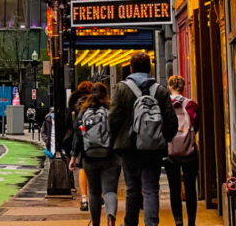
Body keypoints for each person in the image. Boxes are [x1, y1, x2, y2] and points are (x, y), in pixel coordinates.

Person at [109, 52, 178, 226]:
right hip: (153, 148)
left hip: (129, 149)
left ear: (131, 68)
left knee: (132, 189)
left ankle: (130, 223)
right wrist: (163, 139)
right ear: (150, 68)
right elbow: (171, 121)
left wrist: (114, 142)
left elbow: (113, 119)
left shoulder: (121, 89)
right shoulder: (161, 91)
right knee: (151, 189)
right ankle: (151, 223)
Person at [68, 82, 121, 226]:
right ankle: (110, 217)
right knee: (110, 191)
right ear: (106, 94)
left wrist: (74, 157)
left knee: (94, 192)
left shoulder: (84, 112)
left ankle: (96, 223)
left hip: (89, 157)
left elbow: (78, 134)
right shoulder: (111, 110)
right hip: (111, 156)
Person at [164, 75, 199, 226]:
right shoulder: (192, 105)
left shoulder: (164, 105)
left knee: (174, 188)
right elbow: (196, 127)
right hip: (189, 152)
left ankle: (178, 221)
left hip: (170, 151)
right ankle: (191, 221)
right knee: (191, 187)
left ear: (169, 87)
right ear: (184, 88)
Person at [67, 80, 94, 211]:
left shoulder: (77, 105)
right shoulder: (96, 101)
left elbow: (76, 130)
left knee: (83, 167)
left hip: (83, 140)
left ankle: (84, 198)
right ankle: (97, 195)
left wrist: (73, 154)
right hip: (99, 141)